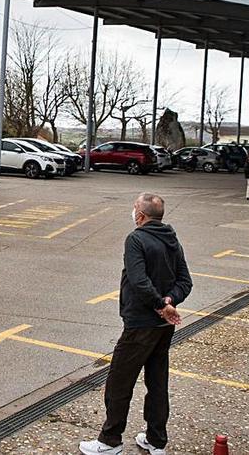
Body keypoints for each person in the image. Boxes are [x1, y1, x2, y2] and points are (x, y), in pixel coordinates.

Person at [80, 193, 192, 455]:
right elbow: (185, 281)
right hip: (163, 327)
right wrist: (169, 300)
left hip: (141, 324)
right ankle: (156, 440)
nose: (132, 213)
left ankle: (110, 440)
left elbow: (139, 280)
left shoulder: (136, 238)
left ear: (140, 215)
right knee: (157, 381)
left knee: (119, 381)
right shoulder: (171, 238)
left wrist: (161, 305)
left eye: (134, 209)